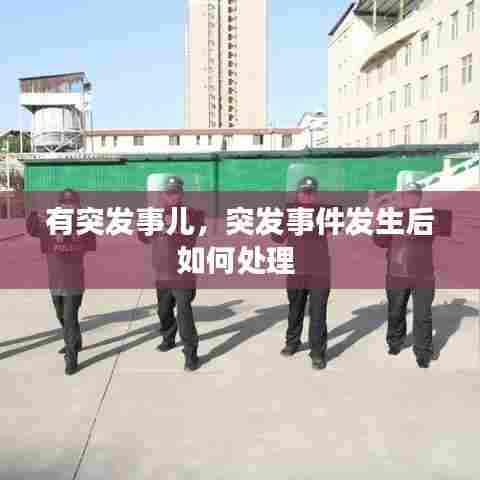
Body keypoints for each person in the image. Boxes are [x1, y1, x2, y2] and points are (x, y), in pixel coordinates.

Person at [372, 182, 448, 368]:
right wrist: (379, 223)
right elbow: (380, 241)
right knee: (396, 311)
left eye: (415, 195)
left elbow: (440, 230)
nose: (412, 198)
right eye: (408, 195)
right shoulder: (391, 216)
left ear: (420, 197)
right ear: (402, 197)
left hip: (424, 274)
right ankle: (395, 342)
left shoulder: (429, 216)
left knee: (423, 315)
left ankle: (423, 351)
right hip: (396, 272)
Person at [138, 175, 205, 371]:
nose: (172, 196)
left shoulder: (191, 214)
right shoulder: (155, 214)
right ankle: (168, 337)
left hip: (183, 272)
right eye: (169, 193)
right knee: (163, 310)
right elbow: (143, 238)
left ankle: (191, 353)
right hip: (162, 271)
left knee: (184, 312)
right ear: (162, 196)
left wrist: (171, 224)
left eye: (176, 193)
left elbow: (192, 234)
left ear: (181, 194)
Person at [26, 189, 96, 375]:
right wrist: (34, 212)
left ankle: (71, 357)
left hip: (74, 279)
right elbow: (32, 230)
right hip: (55, 279)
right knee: (61, 315)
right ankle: (75, 341)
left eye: (72, 203)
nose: (68, 207)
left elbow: (90, 242)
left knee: (69, 317)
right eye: (65, 203)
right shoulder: (50, 222)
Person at [272, 176, 332, 370]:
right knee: (295, 308)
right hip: (295, 269)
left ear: (316, 194)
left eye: (311, 193)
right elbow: (276, 237)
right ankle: (292, 342)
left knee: (318, 313)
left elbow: (335, 226)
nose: (307, 196)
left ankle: (317, 353)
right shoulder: (289, 212)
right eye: (304, 192)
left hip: (320, 270)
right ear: (298, 194)